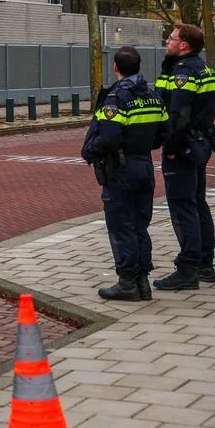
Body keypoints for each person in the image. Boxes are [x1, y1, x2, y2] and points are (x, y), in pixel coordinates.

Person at [81, 46, 168, 301]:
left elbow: (108, 137)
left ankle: (127, 283)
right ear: (139, 66)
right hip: (144, 166)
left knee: (121, 226)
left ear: (115, 67)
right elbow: (163, 132)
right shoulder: (153, 96)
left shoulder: (116, 97)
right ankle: (142, 282)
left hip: (121, 169)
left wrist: (90, 151)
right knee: (140, 225)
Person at [154, 23, 215, 290]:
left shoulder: (183, 73)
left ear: (184, 45)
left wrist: (169, 147)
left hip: (182, 147)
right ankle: (206, 264)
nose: (167, 43)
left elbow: (177, 116)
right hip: (201, 144)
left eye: (170, 39)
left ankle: (187, 269)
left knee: (183, 207)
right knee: (198, 203)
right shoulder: (206, 71)